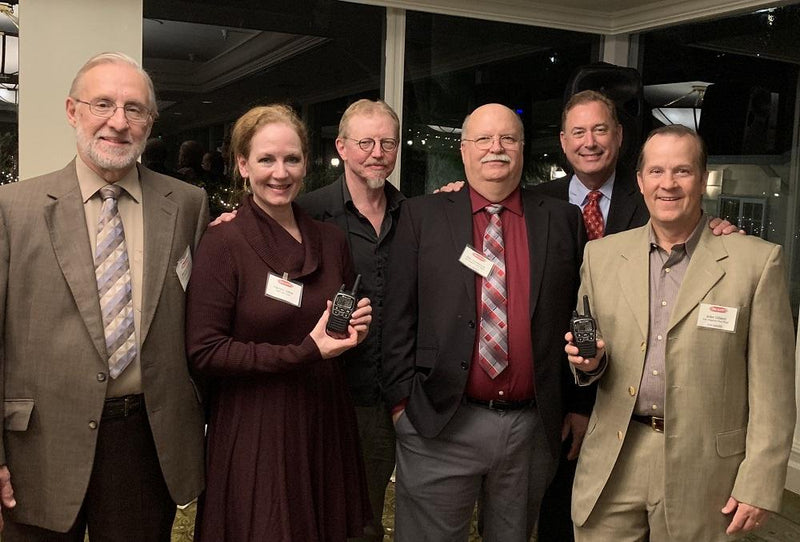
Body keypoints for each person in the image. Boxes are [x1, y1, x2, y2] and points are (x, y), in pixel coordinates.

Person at [0, 52, 208, 540]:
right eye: (103, 104)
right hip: (38, 445)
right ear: (73, 111)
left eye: (135, 109)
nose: (119, 122)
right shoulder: (12, 208)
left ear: (150, 122)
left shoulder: (187, 206)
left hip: (144, 442)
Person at [567, 125, 795, 542]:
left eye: (682, 172)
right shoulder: (601, 257)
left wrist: (760, 481)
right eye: (655, 171)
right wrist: (590, 363)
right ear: (640, 182)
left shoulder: (756, 264)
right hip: (616, 458)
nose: (667, 184)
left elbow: (774, 391)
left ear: (702, 178)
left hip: (705, 469)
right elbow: (593, 358)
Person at [535, 89, 738, 542]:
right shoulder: (534, 202)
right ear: (564, 142)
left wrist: (719, 228)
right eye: (578, 132)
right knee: (562, 516)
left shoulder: (653, 193)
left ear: (620, 138)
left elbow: (689, 230)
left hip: (628, 404)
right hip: (558, 392)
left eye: (601, 129)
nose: (590, 141)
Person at [382, 103, 586, 542]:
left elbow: (579, 313)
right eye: (484, 139)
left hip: (529, 432)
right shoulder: (421, 216)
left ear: (523, 148)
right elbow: (397, 317)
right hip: (440, 422)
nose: (496, 148)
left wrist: (576, 405)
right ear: (463, 149)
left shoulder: (562, 219)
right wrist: (403, 406)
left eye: (508, 139)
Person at [185, 104, 373, 541]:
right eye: (266, 159)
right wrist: (306, 351)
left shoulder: (331, 240)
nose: (280, 172)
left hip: (325, 418)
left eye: (292, 159)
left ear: (306, 163)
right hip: (257, 427)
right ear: (243, 164)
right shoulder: (223, 242)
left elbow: (331, 329)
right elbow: (205, 351)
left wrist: (355, 329)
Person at [298, 99, 404, 542]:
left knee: (365, 522)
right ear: (341, 147)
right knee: (309, 512)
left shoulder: (416, 216)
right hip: (319, 394)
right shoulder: (305, 213)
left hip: (384, 402)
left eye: (387, 142)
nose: (377, 152)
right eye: (365, 142)